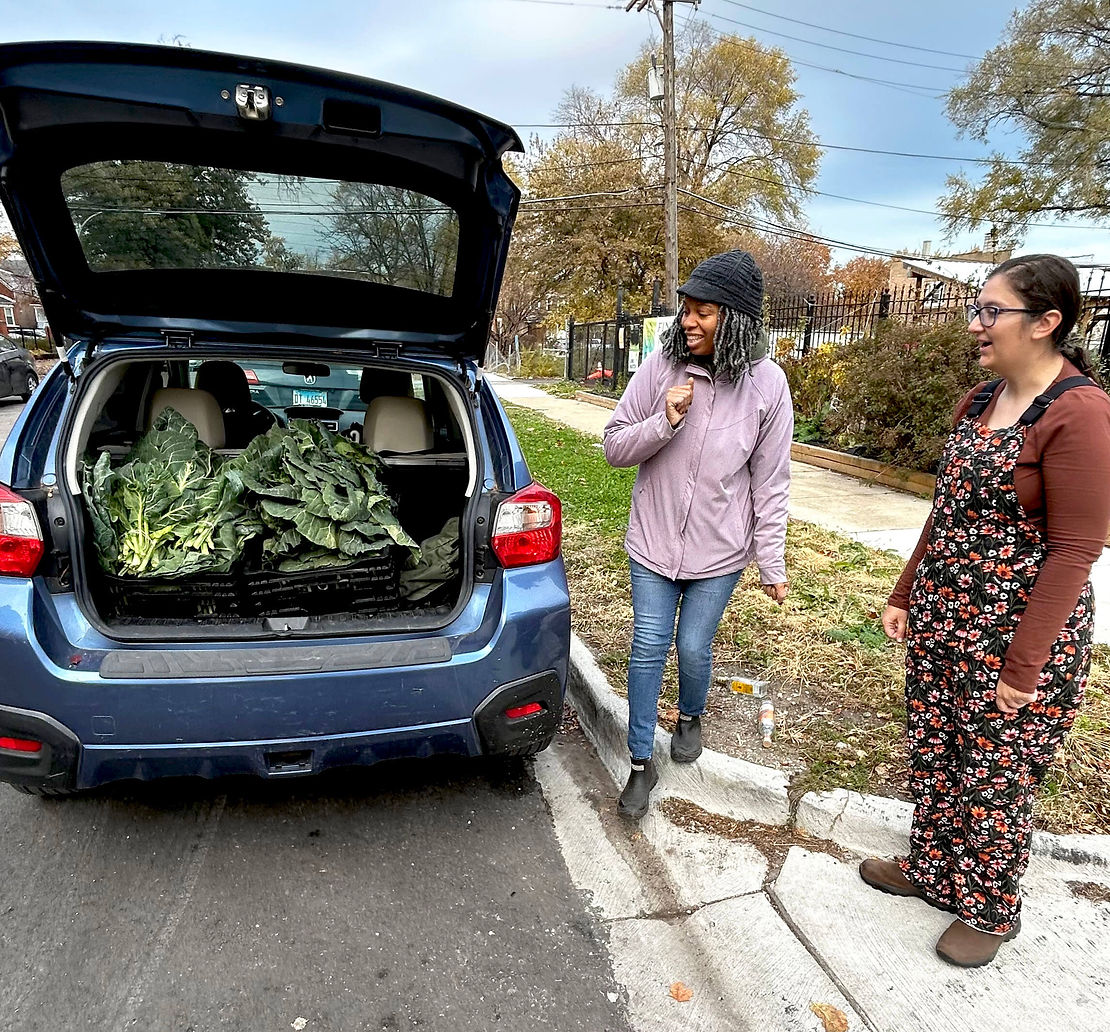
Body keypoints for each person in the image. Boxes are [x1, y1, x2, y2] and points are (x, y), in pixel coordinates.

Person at [864, 254, 1110, 967]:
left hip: (1017, 637)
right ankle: (933, 869)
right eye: (978, 309)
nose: (977, 324)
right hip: (945, 618)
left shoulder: (1081, 414)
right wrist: (908, 590)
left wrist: (1024, 665)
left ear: (1046, 324)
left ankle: (991, 906)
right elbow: (946, 513)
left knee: (995, 775)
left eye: (991, 312)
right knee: (936, 752)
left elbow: (1074, 550)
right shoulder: (978, 401)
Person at [602, 250, 793, 821]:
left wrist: (771, 561)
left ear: (735, 319)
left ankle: (690, 713)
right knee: (647, 647)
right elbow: (613, 447)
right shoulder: (662, 370)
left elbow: (771, 480)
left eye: (703, 312)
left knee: (691, 647)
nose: (687, 321)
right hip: (654, 543)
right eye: (685, 309)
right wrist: (664, 422)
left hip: (719, 551)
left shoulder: (768, 385)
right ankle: (640, 762)